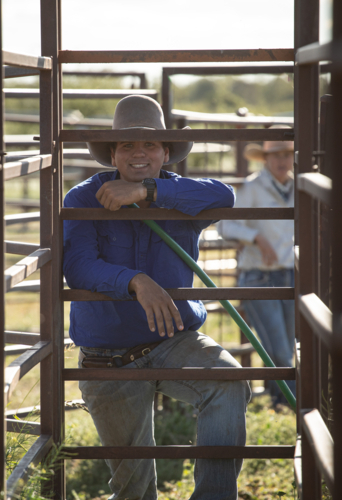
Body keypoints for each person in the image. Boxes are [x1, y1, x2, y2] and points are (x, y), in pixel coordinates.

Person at [63, 95, 251, 500]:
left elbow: (225, 196)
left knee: (229, 383)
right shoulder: (83, 197)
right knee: (135, 489)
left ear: (167, 152)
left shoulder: (179, 193)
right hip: (108, 351)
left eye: (149, 144)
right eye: (127, 145)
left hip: (174, 339)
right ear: (112, 153)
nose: (139, 153)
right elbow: (77, 266)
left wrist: (146, 193)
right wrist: (136, 281)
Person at [218, 131, 296, 405]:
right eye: (276, 155)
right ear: (266, 159)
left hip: (288, 273)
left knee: (285, 344)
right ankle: (291, 404)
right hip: (259, 275)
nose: (282, 160)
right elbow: (225, 224)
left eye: (286, 154)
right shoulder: (252, 187)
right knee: (279, 347)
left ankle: (280, 401)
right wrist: (256, 237)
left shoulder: (296, 188)